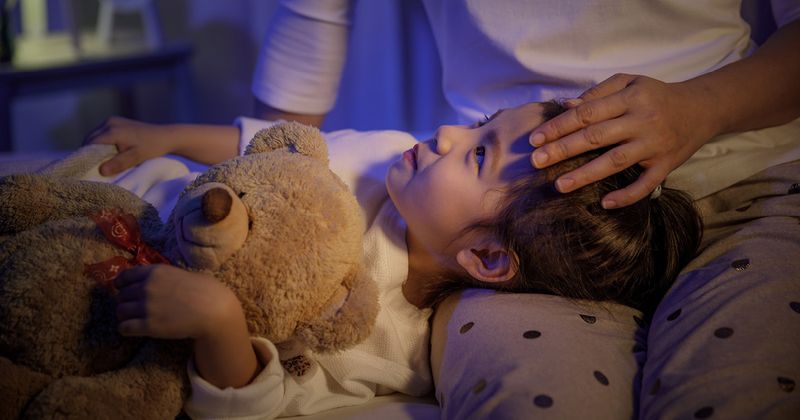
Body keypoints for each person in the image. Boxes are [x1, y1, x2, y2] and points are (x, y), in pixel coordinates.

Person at [86, 100, 700, 418]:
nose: (448, 134)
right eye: (481, 124)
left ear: (487, 259)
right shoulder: (389, 155)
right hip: (121, 196)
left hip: (116, 293)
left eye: (479, 154)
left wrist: (218, 323)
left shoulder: (391, 347)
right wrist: (170, 135)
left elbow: (256, 399)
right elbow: (273, 146)